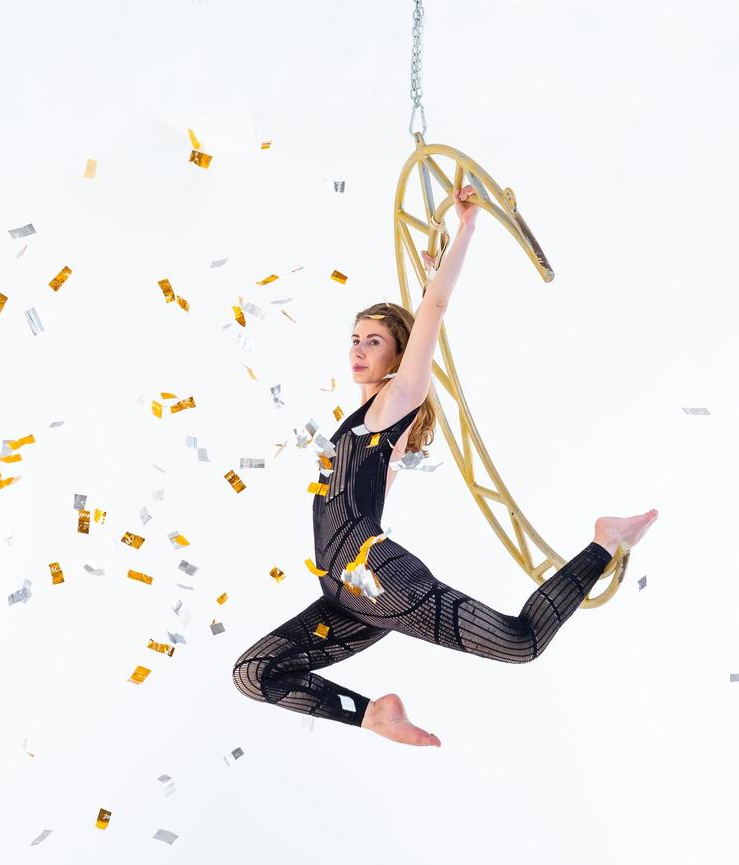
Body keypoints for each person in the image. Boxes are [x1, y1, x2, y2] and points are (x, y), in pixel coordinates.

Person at [232, 185, 659, 746]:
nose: (359, 349)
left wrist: (465, 230)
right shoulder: (366, 424)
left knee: (518, 642)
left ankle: (603, 541)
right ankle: (374, 716)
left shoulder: (395, 400)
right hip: (343, 591)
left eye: (374, 341)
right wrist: (429, 265)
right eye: (355, 339)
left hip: (371, 573)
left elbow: (433, 310)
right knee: (254, 675)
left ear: (398, 356)